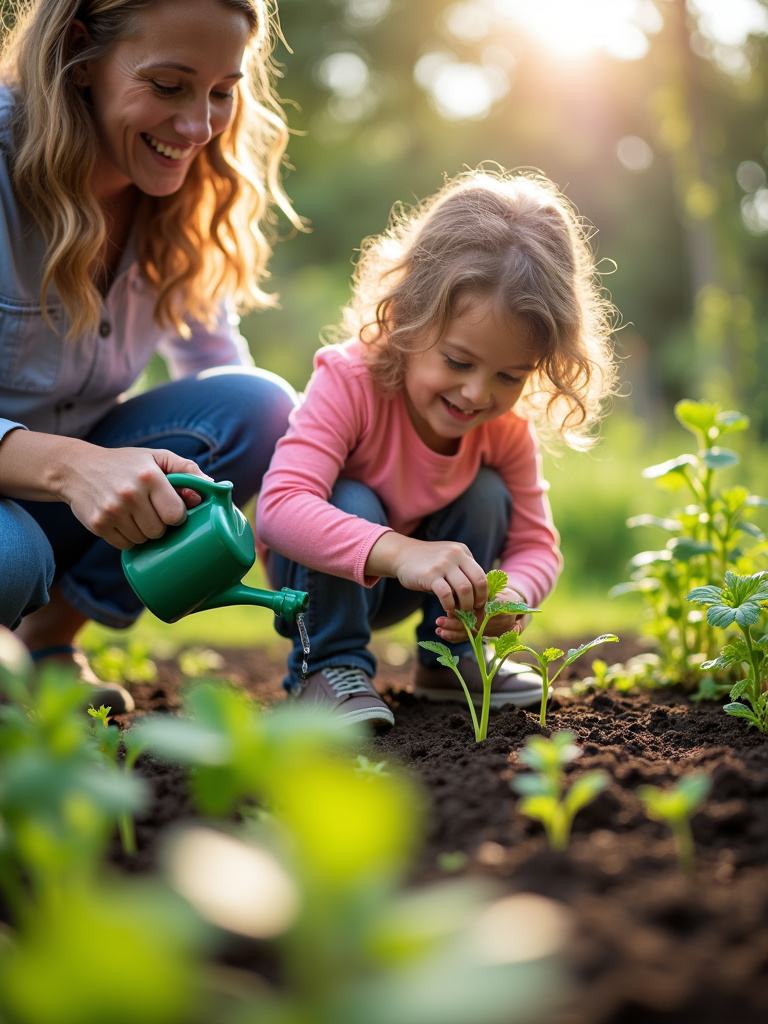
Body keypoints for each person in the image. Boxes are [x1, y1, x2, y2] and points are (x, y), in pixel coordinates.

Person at [0, 0, 303, 714]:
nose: (198, 126)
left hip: (63, 499)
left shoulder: (184, 190)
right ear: (79, 53)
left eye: (222, 92)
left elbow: (217, 372)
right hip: (32, 500)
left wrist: (300, 503)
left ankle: (47, 647)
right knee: (12, 560)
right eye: (168, 86)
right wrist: (73, 465)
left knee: (261, 408)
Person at [256, 167, 620, 728]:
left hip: (420, 585)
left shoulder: (503, 428)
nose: (478, 393)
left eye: (510, 376)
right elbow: (280, 509)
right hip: (316, 582)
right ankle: (328, 666)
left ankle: (447, 661)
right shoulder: (351, 381)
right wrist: (403, 553)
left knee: (486, 493)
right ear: (409, 315)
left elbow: (537, 545)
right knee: (351, 497)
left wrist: (509, 598)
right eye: (457, 361)